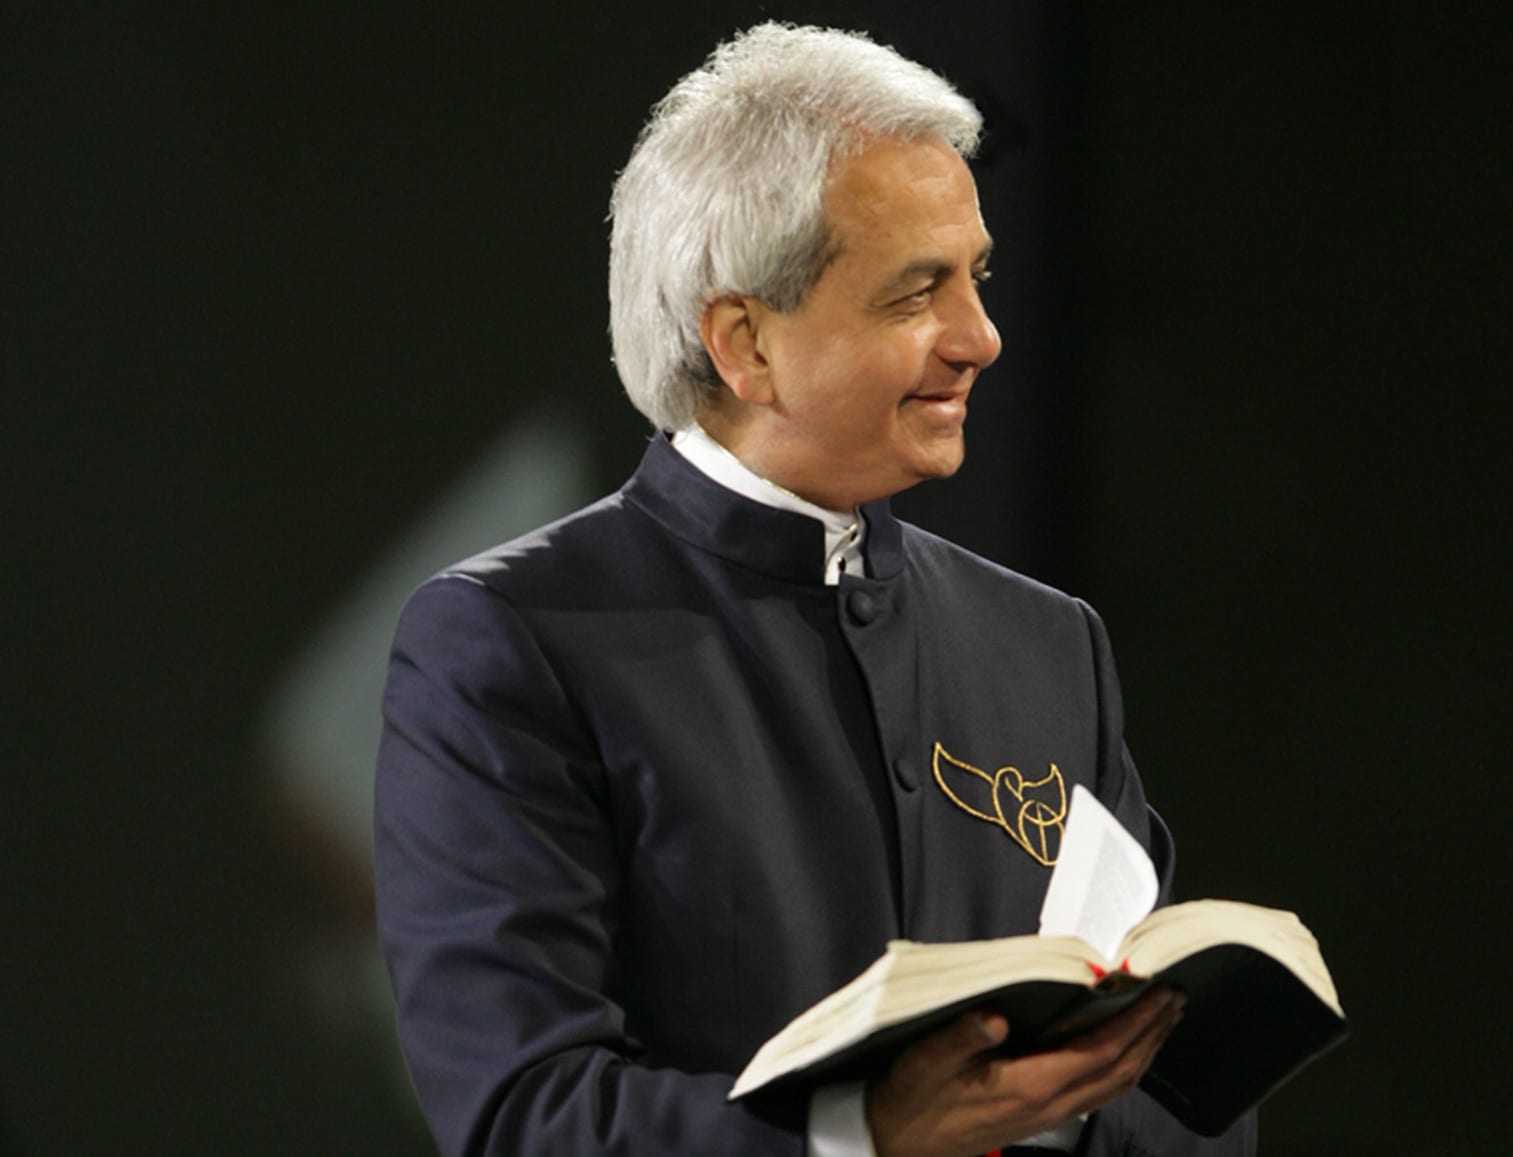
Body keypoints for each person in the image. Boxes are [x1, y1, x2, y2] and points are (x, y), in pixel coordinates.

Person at [375, 23, 1256, 1156]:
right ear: (744, 342)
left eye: (977, 277)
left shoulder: (1048, 646)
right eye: (914, 293)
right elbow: (522, 1117)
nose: (980, 337)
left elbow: (1189, 1100)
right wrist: (863, 1131)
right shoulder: (512, 644)